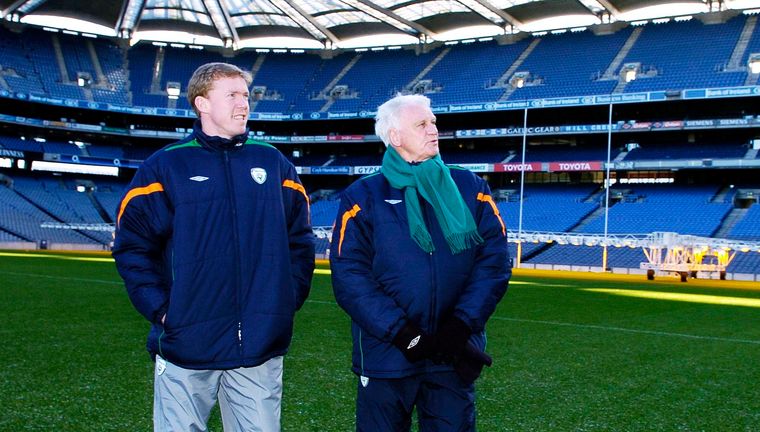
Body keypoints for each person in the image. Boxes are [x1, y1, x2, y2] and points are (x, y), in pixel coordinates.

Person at [112, 62, 315, 432]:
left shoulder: (274, 163)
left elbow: (299, 241)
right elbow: (131, 246)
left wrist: (283, 301)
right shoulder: (166, 166)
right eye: (233, 95)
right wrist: (163, 311)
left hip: (259, 344)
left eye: (246, 95)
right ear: (202, 103)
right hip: (188, 341)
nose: (244, 104)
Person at [330, 94, 510, 431]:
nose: (433, 130)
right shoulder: (363, 196)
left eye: (434, 122)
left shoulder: (470, 187)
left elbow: (494, 263)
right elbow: (349, 276)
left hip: (452, 353)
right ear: (395, 137)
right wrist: (402, 333)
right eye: (422, 124)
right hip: (386, 355)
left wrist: (460, 325)